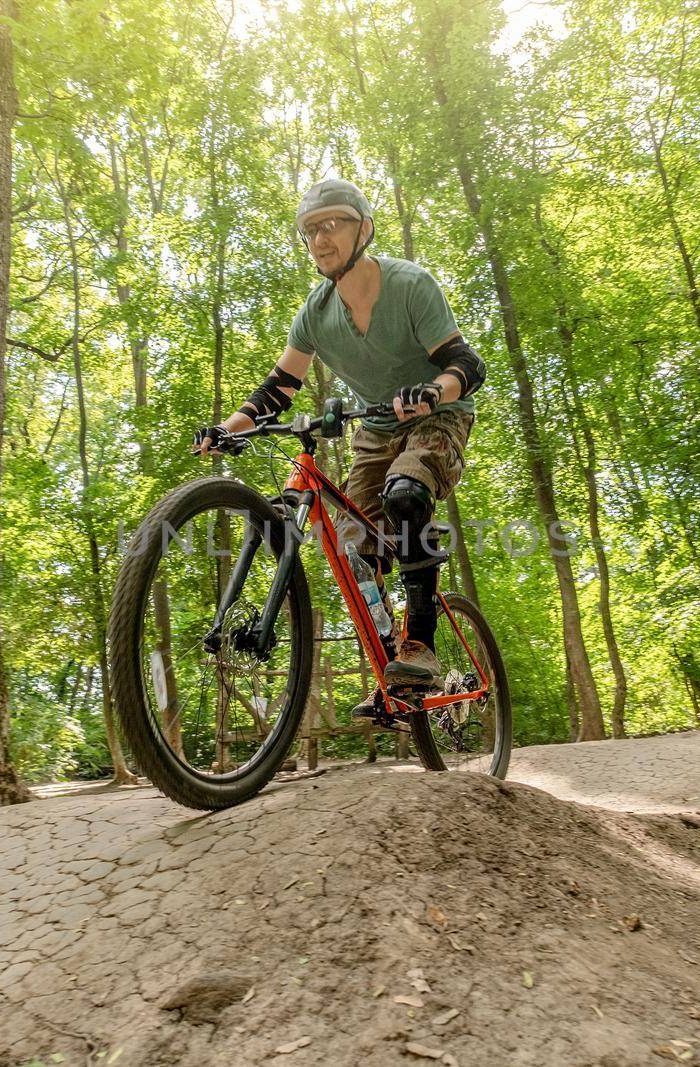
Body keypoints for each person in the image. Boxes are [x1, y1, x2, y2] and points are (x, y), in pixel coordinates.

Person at [193, 178, 484, 709]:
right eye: (310, 231)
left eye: (333, 225)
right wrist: (225, 429)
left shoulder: (411, 285)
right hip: (375, 428)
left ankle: (420, 642)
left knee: (405, 493)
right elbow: (279, 388)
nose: (321, 240)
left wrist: (430, 393)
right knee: (357, 547)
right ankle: (390, 667)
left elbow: (467, 364)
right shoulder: (314, 313)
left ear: (364, 229)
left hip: (437, 416)